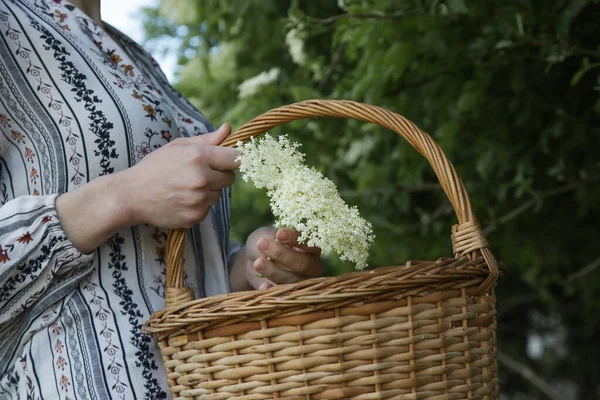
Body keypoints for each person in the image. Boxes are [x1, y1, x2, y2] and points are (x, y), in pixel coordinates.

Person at [0, 0, 323, 398]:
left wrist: (252, 266)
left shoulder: (137, 57)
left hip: (210, 381)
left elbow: (168, 265)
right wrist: (124, 194)